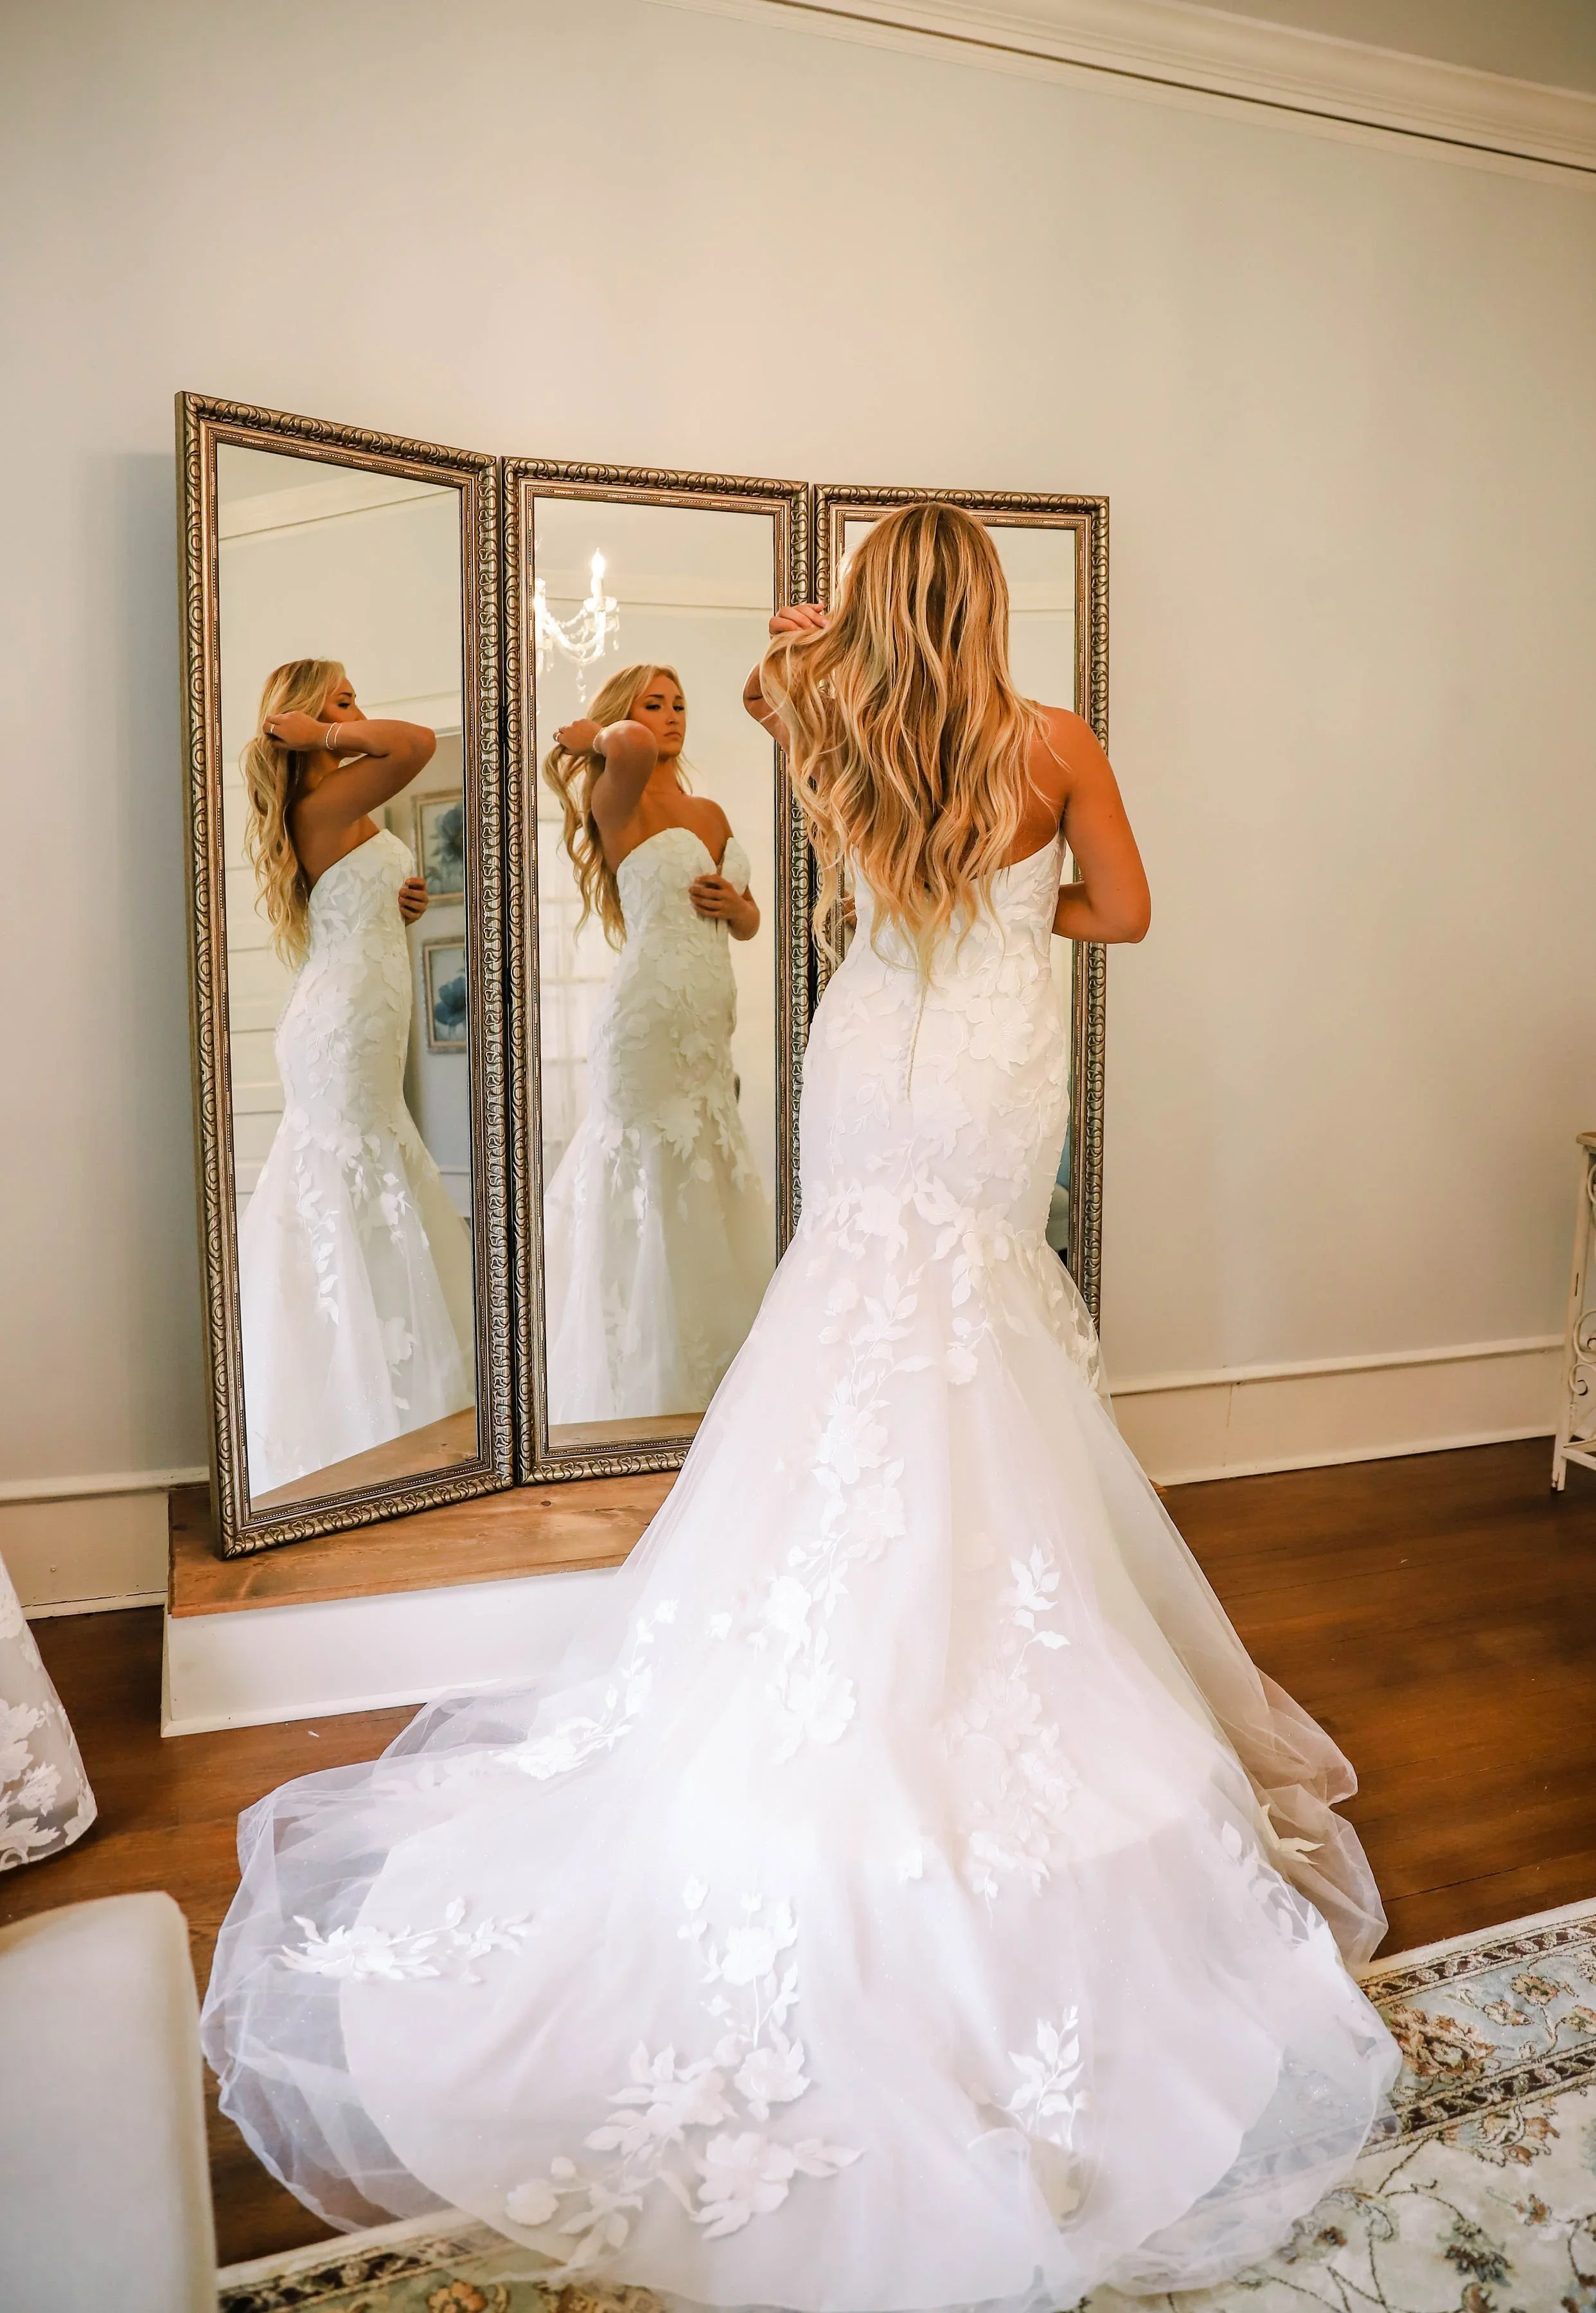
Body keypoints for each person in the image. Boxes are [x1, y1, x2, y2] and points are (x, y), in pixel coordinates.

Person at [203, 515, 1399, 2307]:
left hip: (872, 1060)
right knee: (972, 1341)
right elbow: (1127, 914)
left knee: (847, 1329)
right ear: (982, 605)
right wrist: (1020, 910)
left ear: (873, 615)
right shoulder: (1052, 742)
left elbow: (800, 772)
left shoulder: (833, 730)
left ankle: (833, 1667)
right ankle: (969, 1661)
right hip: (985, 1064)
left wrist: (810, 663)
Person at [236, 659, 475, 1496]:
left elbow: (350, 901)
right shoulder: (322, 797)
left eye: (353, 700)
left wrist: (389, 904)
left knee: (369, 1170)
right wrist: (326, 738)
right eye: (338, 702)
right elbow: (412, 745)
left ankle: (394, 1400)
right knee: (342, 1174)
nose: (355, 713)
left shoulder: (344, 809)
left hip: (357, 1015)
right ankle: (349, 1407)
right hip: (338, 1026)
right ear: (300, 721)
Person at [540, 662, 773, 1424]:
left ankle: (714, 1389)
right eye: (654, 704)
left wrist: (737, 906)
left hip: (709, 1028)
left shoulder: (710, 810)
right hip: (644, 1026)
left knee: (707, 1179)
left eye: (680, 703)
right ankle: (643, 1390)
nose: (671, 717)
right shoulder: (621, 796)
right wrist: (596, 739)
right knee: (650, 1179)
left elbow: (750, 923)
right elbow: (633, 746)